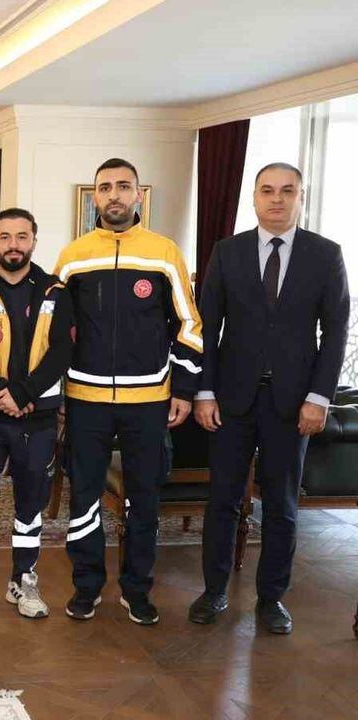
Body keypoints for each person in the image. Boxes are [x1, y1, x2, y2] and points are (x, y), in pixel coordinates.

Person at [189, 163, 349, 634]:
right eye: (267, 190)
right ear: (254, 198)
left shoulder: (326, 254)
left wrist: (319, 398)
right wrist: (204, 390)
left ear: (301, 197)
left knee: (281, 504)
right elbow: (206, 327)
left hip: (293, 403)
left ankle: (272, 598)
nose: (277, 198)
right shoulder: (227, 252)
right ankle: (214, 591)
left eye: (287, 190)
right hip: (231, 400)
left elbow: (335, 331)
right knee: (222, 499)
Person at [54, 158, 202, 625]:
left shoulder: (164, 253)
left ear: (138, 194)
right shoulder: (74, 256)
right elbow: (55, 331)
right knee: (85, 498)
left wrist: (183, 388)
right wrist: (55, 393)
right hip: (86, 399)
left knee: (144, 499)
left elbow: (189, 325)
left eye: (123, 186)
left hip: (149, 401)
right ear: (95, 197)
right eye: (105, 187)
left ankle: (137, 589)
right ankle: (86, 586)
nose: (114, 194)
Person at [0, 208, 73, 620]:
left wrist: (22, 393)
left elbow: (62, 351)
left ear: (34, 241)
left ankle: (23, 581)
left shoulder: (56, 291)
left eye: (22, 236)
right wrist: (0, 392)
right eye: (5, 237)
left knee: (30, 505)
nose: (13, 245)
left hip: (36, 416)